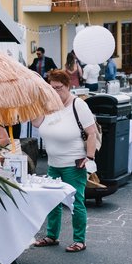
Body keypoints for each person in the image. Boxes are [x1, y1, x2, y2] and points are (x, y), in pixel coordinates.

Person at [30, 69, 95, 253]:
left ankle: (79, 240)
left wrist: (89, 158)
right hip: (54, 163)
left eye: (59, 88)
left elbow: (91, 133)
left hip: (73, 163)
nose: (56, 92)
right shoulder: (49, 104)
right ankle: (52, 235)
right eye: (52, 88)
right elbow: (36, 123)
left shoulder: (78, 105)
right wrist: (37, 101)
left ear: (68, 86)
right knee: (52, 201)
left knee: (76, 202)